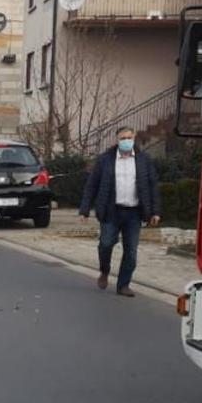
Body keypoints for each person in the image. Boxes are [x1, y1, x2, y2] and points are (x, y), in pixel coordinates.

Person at [79, 127, 161, 298]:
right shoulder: (105, 160)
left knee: (131, 251)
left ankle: (123, 285)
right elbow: (91, 185)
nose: (126, 141)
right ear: (117, 140)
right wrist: (84, 210)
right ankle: (104, 270)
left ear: (134, 138)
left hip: (134, 213)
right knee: (106, 244)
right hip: (111, 210)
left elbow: (152, 186)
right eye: (123, 138)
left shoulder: (143, 160)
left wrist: (155, 211)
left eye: (129, 137)